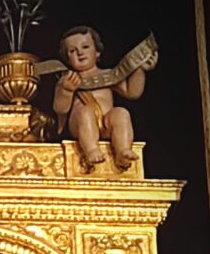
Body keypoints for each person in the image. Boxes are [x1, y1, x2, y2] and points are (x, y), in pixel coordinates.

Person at [53, 25, 158, 170]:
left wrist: (140, 69)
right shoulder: (68, 79)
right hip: (81, 124)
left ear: (97, 51)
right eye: (72, 51)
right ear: (67, 58)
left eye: (85, 47)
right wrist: (66, 90)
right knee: (85, 112)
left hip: (106, 122)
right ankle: (91, 150)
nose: (80, 53)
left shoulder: (109, 74)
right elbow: (60, 109)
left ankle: (122, 150)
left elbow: (132, 92)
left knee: (121, 113)